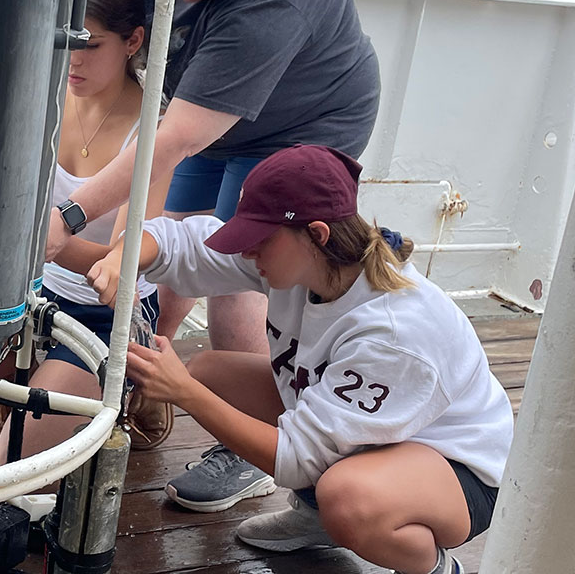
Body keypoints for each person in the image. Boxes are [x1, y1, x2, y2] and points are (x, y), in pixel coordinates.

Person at [46, 0, 382, 510]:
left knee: (239, 272)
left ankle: (250, 445)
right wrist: (123, 248)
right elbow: (165, 170)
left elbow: (168, 142)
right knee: (171, 242)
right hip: (215, 106)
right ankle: (143, 383)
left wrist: (70, 218)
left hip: (306, 122)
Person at [87, 145, 512, 574]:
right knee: (212, 373)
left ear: (318, 234)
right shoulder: (310, 262)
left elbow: (296, 457)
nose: (248, 252)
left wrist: (185, 394)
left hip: (460, 469)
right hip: (383, 437)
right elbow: (185, 246)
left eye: (259, 240)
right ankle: (315, 519)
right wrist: (121, 260)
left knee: (346, 499)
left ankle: (434, 567)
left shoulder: (394, 333)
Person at [0, 0, 169, 463]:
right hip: (34, 294)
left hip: (107, 313)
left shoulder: (153, 131)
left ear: (134, 41)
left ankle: (126, 385)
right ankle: (25, 376)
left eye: (90, 44)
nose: (73, 60)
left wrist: (37, 240)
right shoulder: (48, 94)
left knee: (10, 467)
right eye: (67, 41)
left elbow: (121, 265)